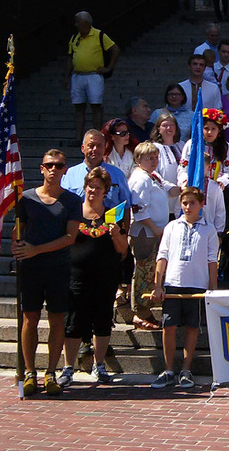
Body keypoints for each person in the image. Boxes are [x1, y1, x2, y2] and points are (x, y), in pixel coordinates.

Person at [13, 150, 82, 396]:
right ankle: (30, 371)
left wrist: (36, 250)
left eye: (59, 165)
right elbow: (18, 230)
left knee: (56, 319)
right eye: (49, 165)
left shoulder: (72, 201)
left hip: (58, 267)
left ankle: (51, 372)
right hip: (30, 269)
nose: (54, 169)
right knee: (29, 318)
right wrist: (19, 246)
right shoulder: (26, 198)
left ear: (65, 169)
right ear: (41, 168)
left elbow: (70, 237)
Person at [59, 166, 129, 387]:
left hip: (104, 277)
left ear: (106, 191)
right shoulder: (73, 212)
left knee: (102, 321)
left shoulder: (112, 215)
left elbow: (123, 250)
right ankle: (68, 367)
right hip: (76, 277)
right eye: (90, 186)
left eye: (98, 188)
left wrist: (116, 234)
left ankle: (99, 366)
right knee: (73, 323)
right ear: (85, 187)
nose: (93, 191)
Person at [150, 186, 218, 389]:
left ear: (201, 205)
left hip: (196, 286)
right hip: (173, 284)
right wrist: (158, 284)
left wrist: (212, 289)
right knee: (168, 327)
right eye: (184, 203)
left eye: (192, 203)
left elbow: (211, 260)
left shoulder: (209, 229)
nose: (188, 207)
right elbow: (162, 256)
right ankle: (168, 369)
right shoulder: (172, 227)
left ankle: (186, 370)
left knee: (191, 327)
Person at [127, 142, 180, 331]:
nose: (154, 161)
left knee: (151, 272)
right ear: (138, 159)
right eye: (149, 158)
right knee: (144, 271)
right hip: (145, 233)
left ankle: (145, 310)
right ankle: (139, 312)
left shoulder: (154, 176)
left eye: (156, 157)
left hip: (156, 232)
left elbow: (171, 190)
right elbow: (138, 208)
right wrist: (155, 228)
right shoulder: (141, 179)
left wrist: (187, 185)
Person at [64, 11, 120, 143]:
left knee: (96, 106)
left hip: (94, 75)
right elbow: (70, 58)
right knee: (78, 106)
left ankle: (98, 136)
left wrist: (109, 68)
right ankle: (79, 138)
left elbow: (115, 49)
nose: (76, 25)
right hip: (77, 76)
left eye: (78, 22)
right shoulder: (74, 38)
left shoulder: (99, 35)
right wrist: (67, 76)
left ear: (86, 23)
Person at [178, 109, 229, 189]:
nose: (209, 132)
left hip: (215, 188)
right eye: (206, 128)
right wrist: (185, 181)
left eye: (213, 129)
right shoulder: (192, 144)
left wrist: (222, 181)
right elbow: (183, 167)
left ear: (219, 130)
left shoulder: (225, 147)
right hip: (194, 187)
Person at [151, 113, 185, 214]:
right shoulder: (154, 148)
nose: (169, 128)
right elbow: (152, 172)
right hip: (165, 196)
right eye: (165, 125)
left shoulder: (182, 145)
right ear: (158, 129)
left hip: (183, 195)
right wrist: (169, 187)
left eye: (172, 125)